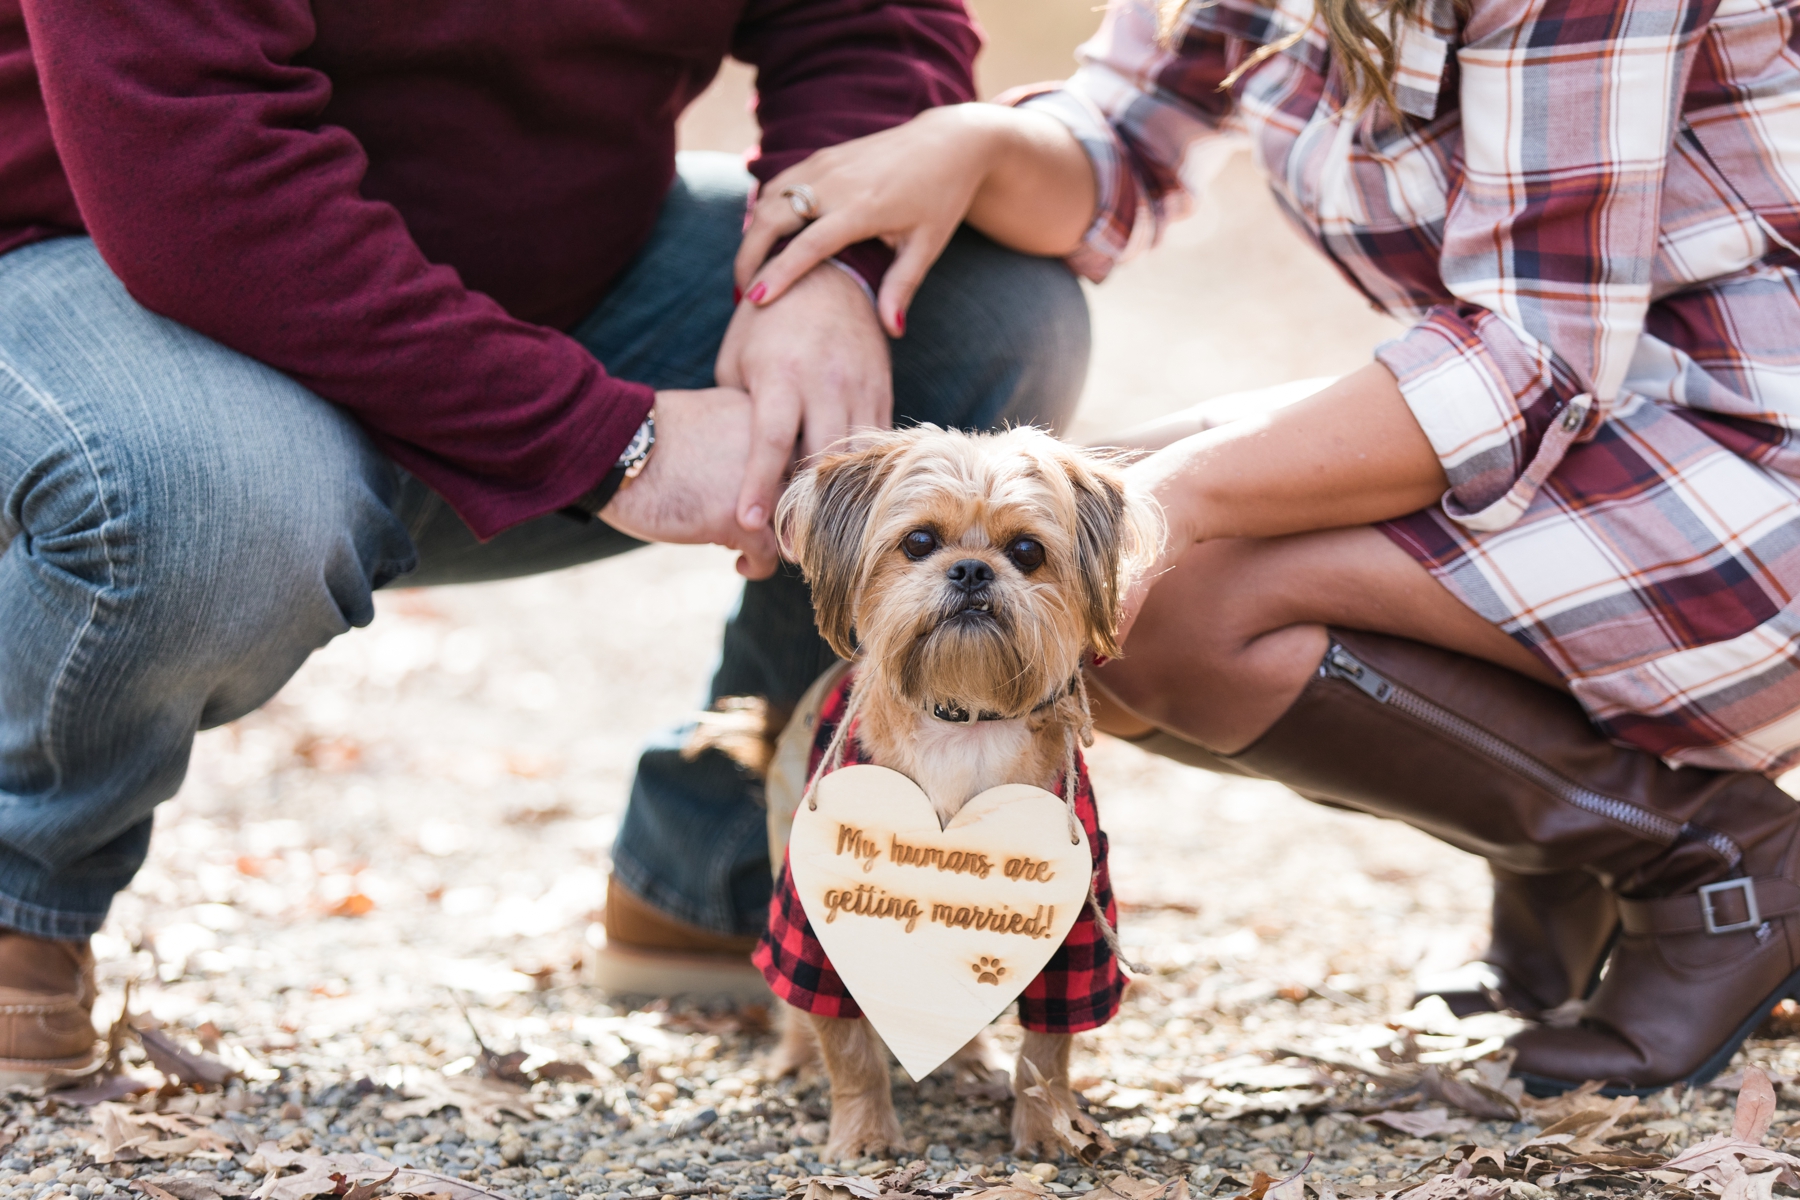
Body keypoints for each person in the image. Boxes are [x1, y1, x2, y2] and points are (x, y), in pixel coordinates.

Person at [0, 0, 1092, 1080]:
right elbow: (192, 179)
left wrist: (824, 263)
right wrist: (607, 438)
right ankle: (17, 895)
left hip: (557, 285)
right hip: (99, 261)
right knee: (190, 495)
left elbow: (864, 15)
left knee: (982, 309)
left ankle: (733, 877)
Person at [734, 0, 1800, 1091]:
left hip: (1746, 442)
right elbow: (1121, 135)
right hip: (1601, 419)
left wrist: (1178, 501)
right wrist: (972, 144)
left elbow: (1532, 356)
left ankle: (1708, 856)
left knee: (1125, 590)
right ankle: (1562, 846)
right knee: (1052, 532)